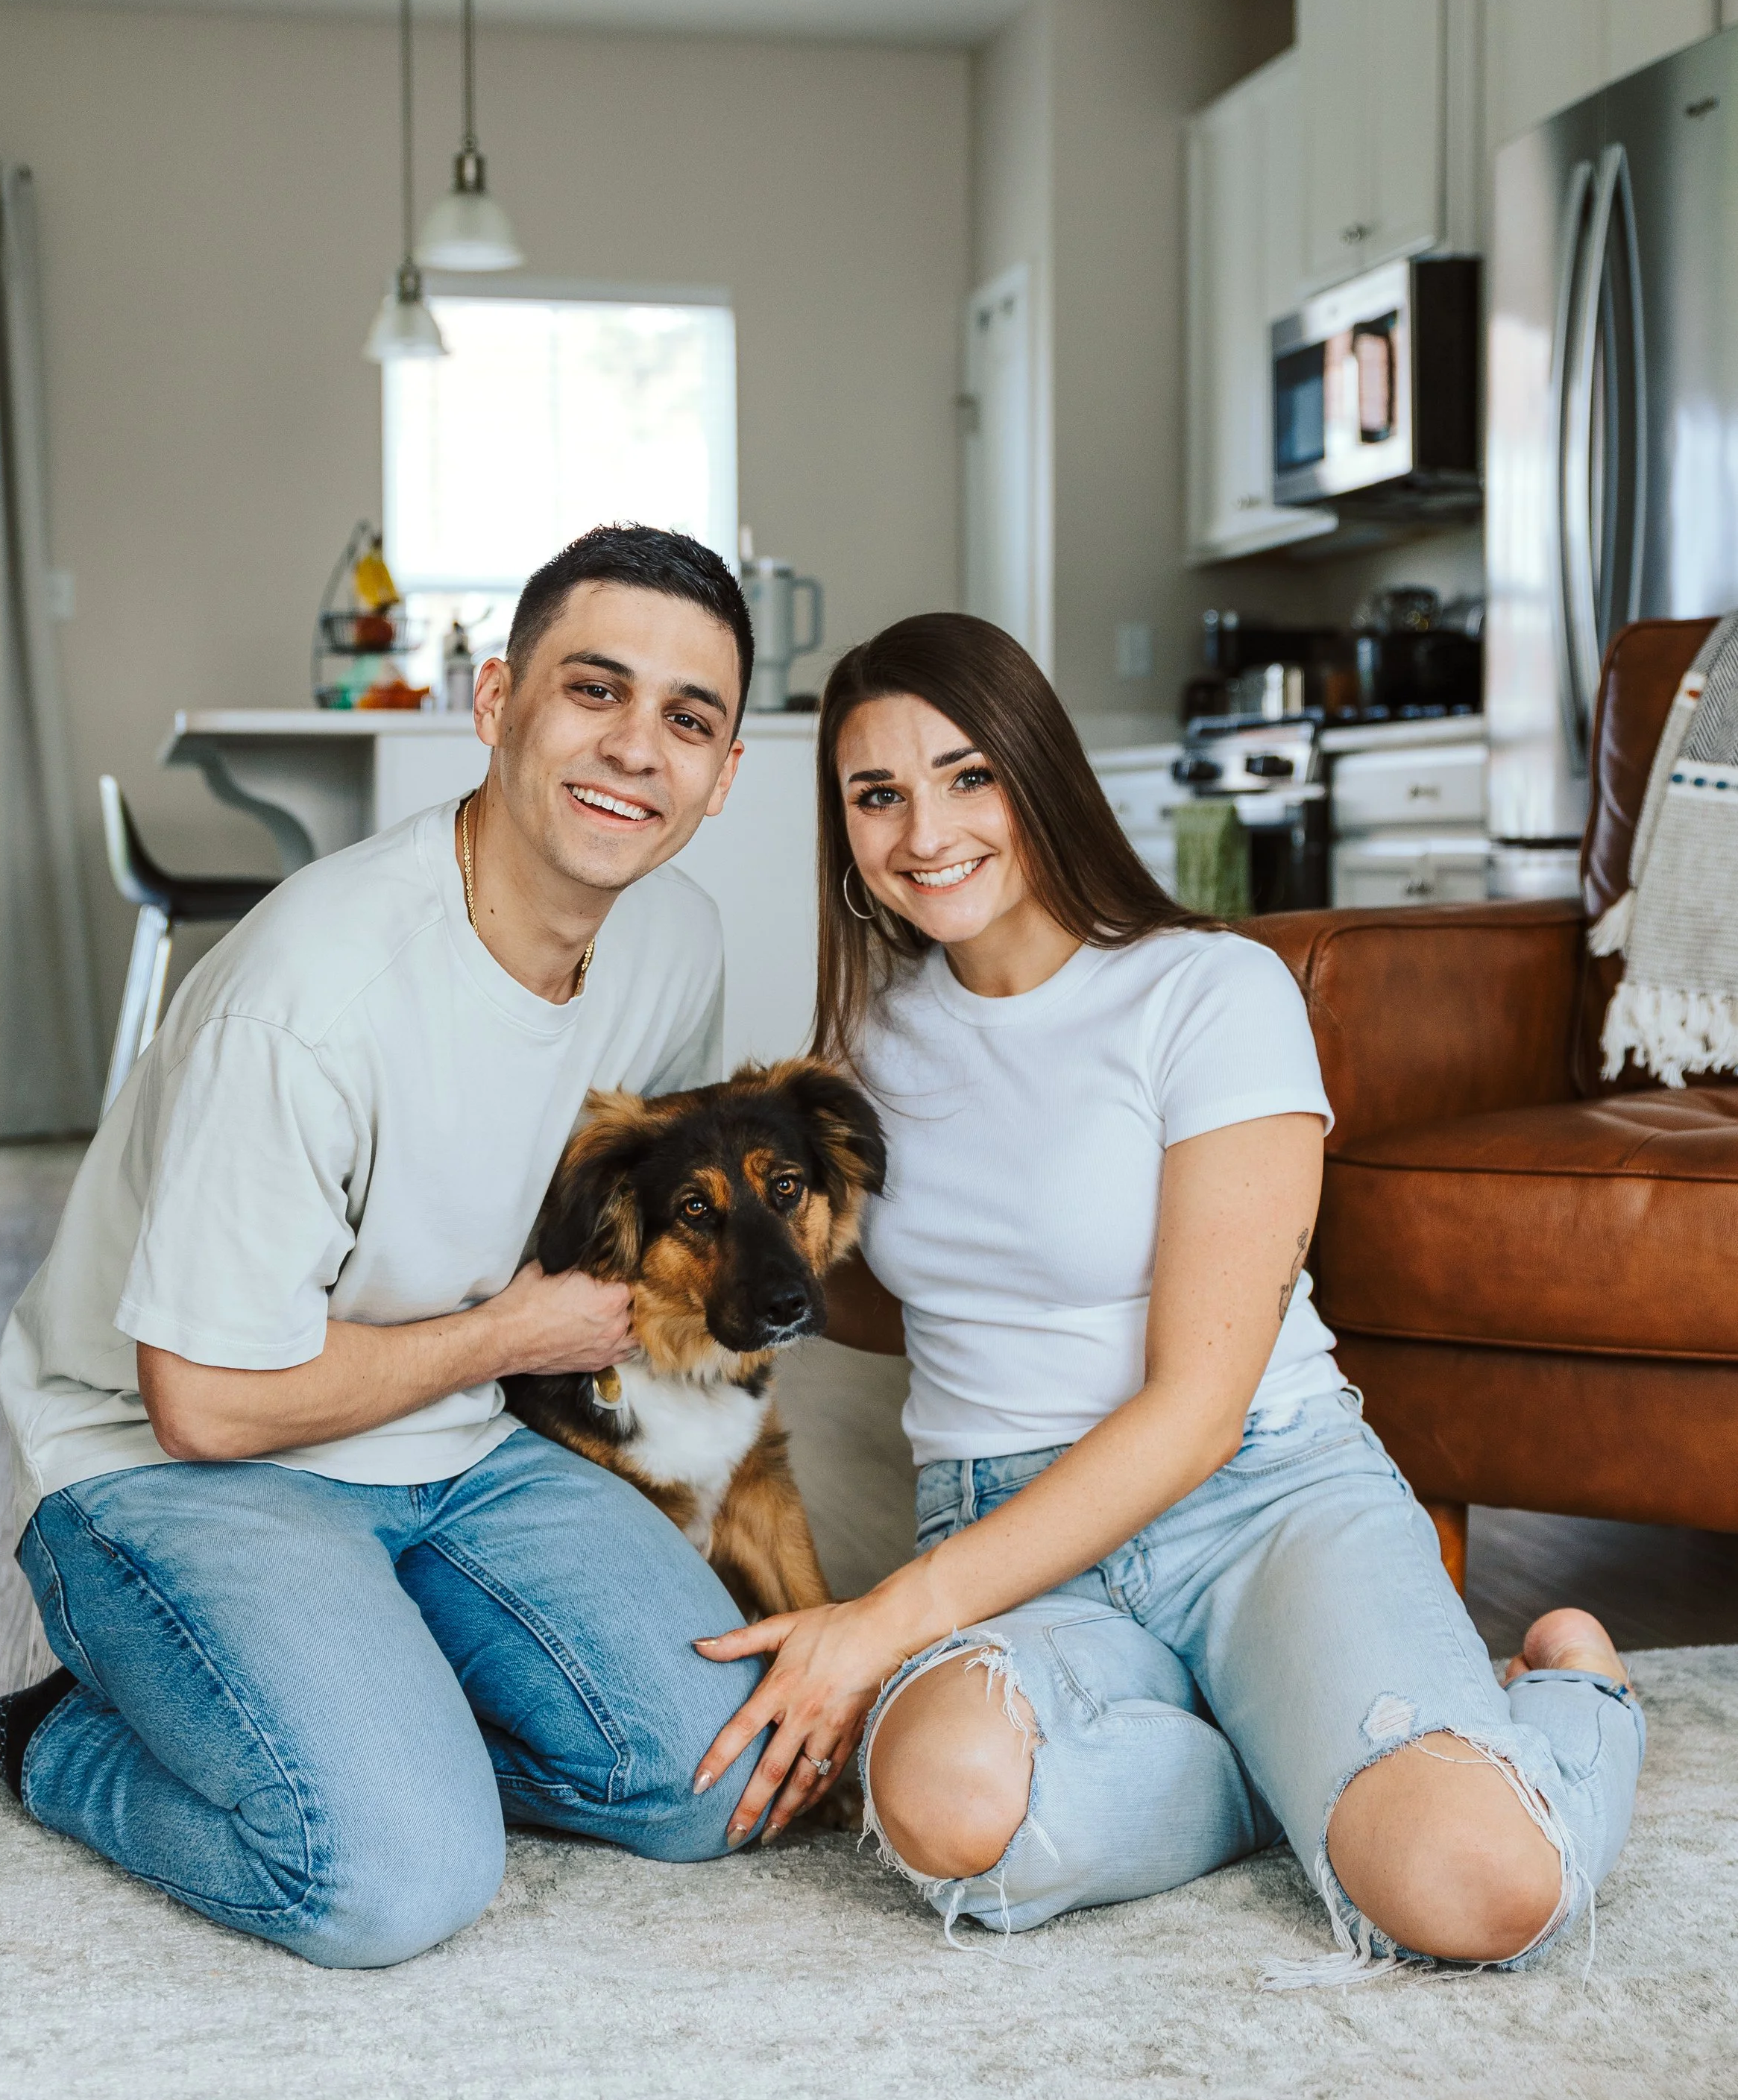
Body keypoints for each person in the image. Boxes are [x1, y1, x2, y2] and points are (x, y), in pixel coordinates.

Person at [692, 613, 1644, 1976]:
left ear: (1041, 774)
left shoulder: (1210, 991)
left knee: (1478, 1889)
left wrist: (882, 1620)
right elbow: (860, 1295)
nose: (924, 828)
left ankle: (1579, 1691)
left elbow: (1199, 1410)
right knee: (943, 1804)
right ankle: (1289, 1757)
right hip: (1011, 1522)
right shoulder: (855, 1055)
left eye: (968, 775)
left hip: (1261, 1496)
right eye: (876, 793)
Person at [0, 524, 777, 1967]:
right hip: (173, 1469)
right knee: (391, 1877)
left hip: (451, 1446)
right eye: (594, 691)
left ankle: (375, 1714)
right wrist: (508, 1341)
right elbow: (199, 1403)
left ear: (722, 775)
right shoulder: (310, 1000)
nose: (637, 748)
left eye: (687, 718)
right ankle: (55, 1739)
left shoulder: (678, 946)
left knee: (724, 1777)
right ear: (495, 703)